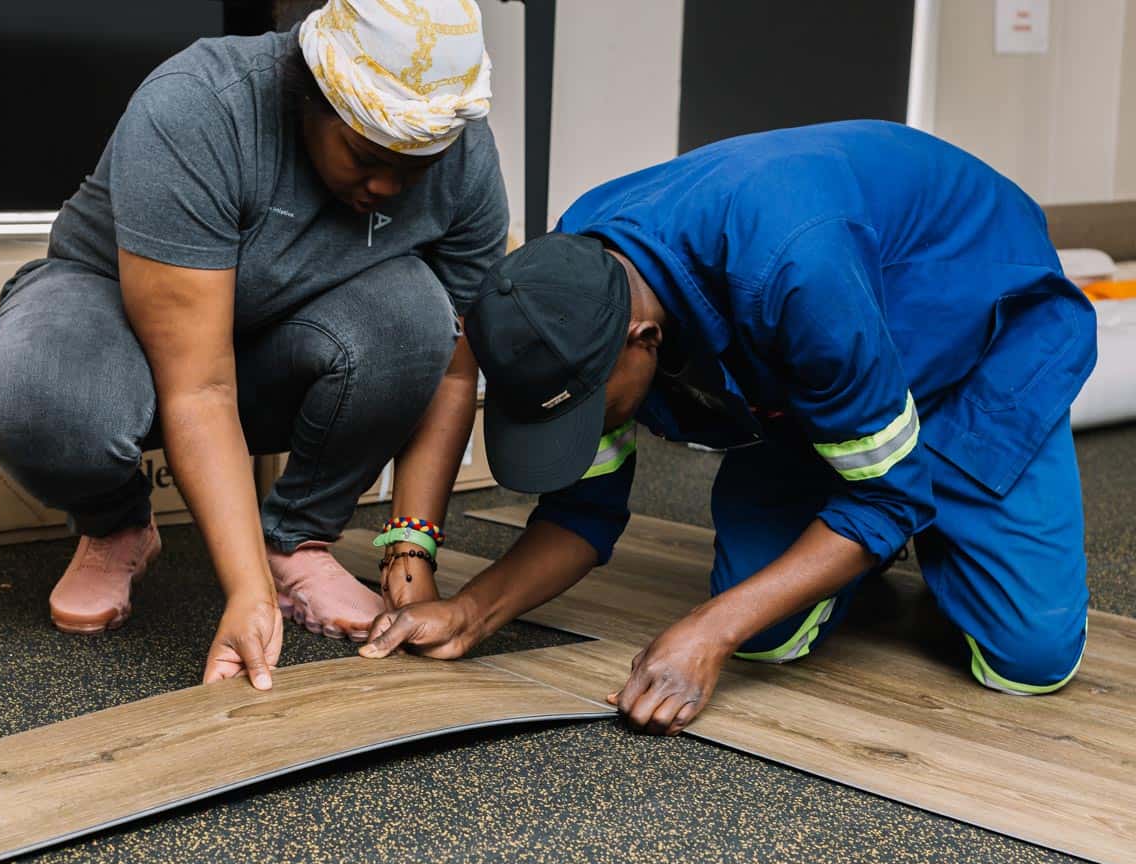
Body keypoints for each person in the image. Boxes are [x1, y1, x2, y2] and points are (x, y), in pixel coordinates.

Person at [357, 121, 1097, 735]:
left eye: (591, 414)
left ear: (644, 341)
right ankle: (862, 495)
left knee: (1027, 660)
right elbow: (583, 511)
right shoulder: (570, 289)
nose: (588, 430)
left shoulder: (796, 271)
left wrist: (708, 631)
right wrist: (469, 613)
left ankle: (918, 503)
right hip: (818, 370)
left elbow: (889, 495)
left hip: (977, 341)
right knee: (768, 639)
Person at [0, 0, 508, 689]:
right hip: (117, 319)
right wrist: (245, 592)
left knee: (417, 315)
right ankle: (116, 525)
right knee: (44, 397)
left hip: (275, 343)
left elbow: (454, 374)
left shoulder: (463, 157)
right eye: (366, 157)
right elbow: (199, 384)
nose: (387, 186)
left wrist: (412, 557)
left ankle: (297, 542)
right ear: (313, 94)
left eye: (414, 169)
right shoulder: (199, 108)